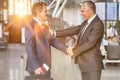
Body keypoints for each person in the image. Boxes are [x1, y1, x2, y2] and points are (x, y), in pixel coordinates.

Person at [56, 1, 104, 80]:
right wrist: (55, 33)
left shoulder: (97, 24)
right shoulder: (86, 23)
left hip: (92, 65)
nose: (81, 13)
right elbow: (73, 30)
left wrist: (74, 51)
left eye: (83, 11)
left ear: (91, 11)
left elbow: (89, 43)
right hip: (85, 65)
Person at [25, 2, 72, 78]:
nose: (47, 13)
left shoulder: (44, 25)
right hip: (37, 68)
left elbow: (52, 40)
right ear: (38, 12)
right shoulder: (30, 26)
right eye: (45, 11)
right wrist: (36, 66)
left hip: (45, 65)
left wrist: (66, 48)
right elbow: (29, 48)